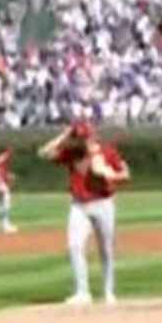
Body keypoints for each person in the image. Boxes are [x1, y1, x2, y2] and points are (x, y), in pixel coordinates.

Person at [38, 120, 128, 305]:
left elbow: (125, 173)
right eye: (77, 137)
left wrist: (112, 175)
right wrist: (63, 136)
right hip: (79, 206)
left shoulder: (107, 151)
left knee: (106, 250)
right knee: (75, 246)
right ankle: (82, 292)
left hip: (104, 203)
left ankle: (108, 292)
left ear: (91, 136)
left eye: (81, 137)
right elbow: (43, 153)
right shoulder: (71, 153)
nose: (79, 140)